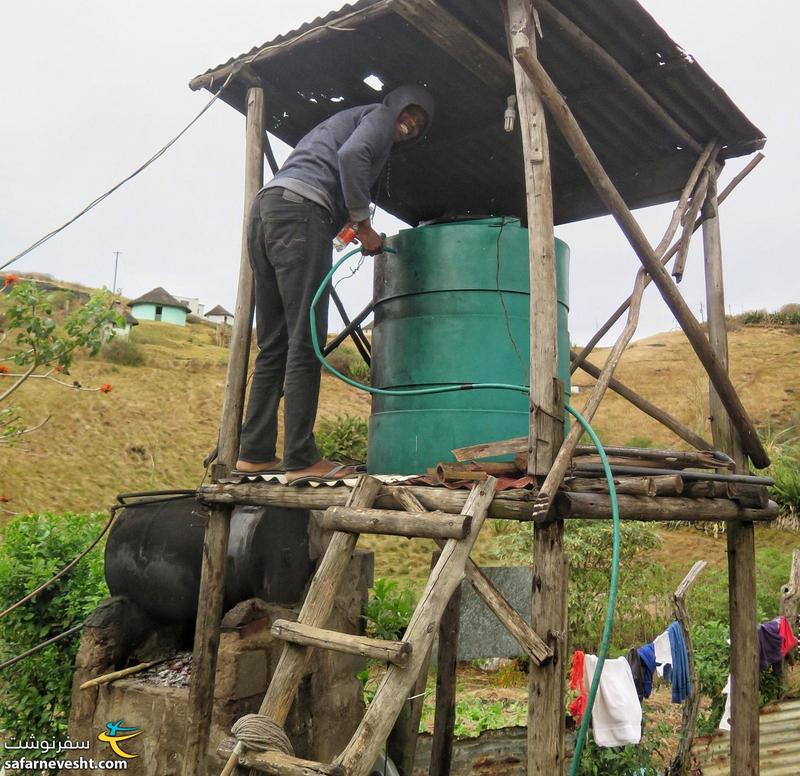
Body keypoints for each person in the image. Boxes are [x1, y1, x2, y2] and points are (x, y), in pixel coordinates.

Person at [235, 84, 434, 483]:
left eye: (418, 124)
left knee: (274, 341)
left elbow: (337, 162)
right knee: (304, 339)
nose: (410, 124)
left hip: (268, 209)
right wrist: (363, 224)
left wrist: (343, 223)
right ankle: (300, 458)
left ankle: (254, 451)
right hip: (301, 211)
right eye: (409, 113)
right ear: (395, 105)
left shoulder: (344, 122)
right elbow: (351, 155)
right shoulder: (377, 115)